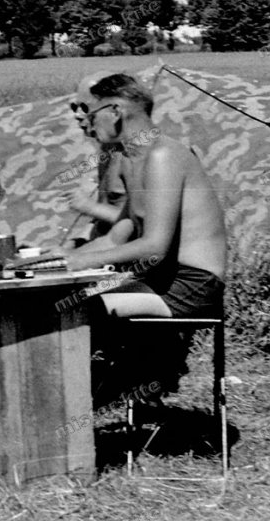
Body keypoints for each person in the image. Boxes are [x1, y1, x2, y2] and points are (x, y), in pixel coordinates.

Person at [55, 71, 227, 406]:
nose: (88, 124)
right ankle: (91, 396)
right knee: (59, 298)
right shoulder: (131, 159)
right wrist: (53, 259)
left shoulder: (164, 156)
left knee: (76, 306)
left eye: (91, 114)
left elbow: (154, 248)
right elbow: (116, 238)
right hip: (159, 279)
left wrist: (78, 261)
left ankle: (84, 400)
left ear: (115, 112)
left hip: (191, 285)